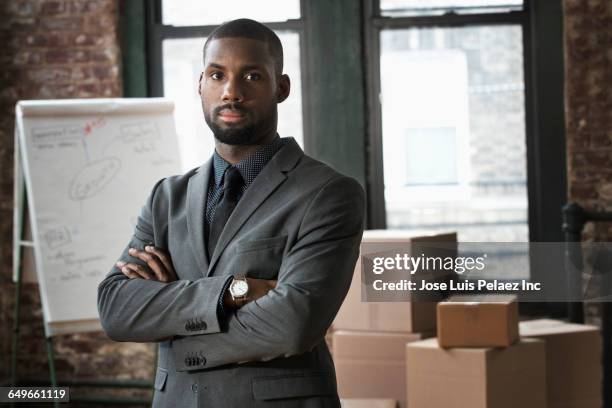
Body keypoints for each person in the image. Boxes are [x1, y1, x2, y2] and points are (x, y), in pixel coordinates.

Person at [97, 18, 365, 407]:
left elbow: (293, 324)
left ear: (281, 88)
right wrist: (234, 290)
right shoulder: (166, 197)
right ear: (200, 85)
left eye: (252, 76)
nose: (231, 92)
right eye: (217, 75)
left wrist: (170, 316)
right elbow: (116, 310)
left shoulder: (328, 194)